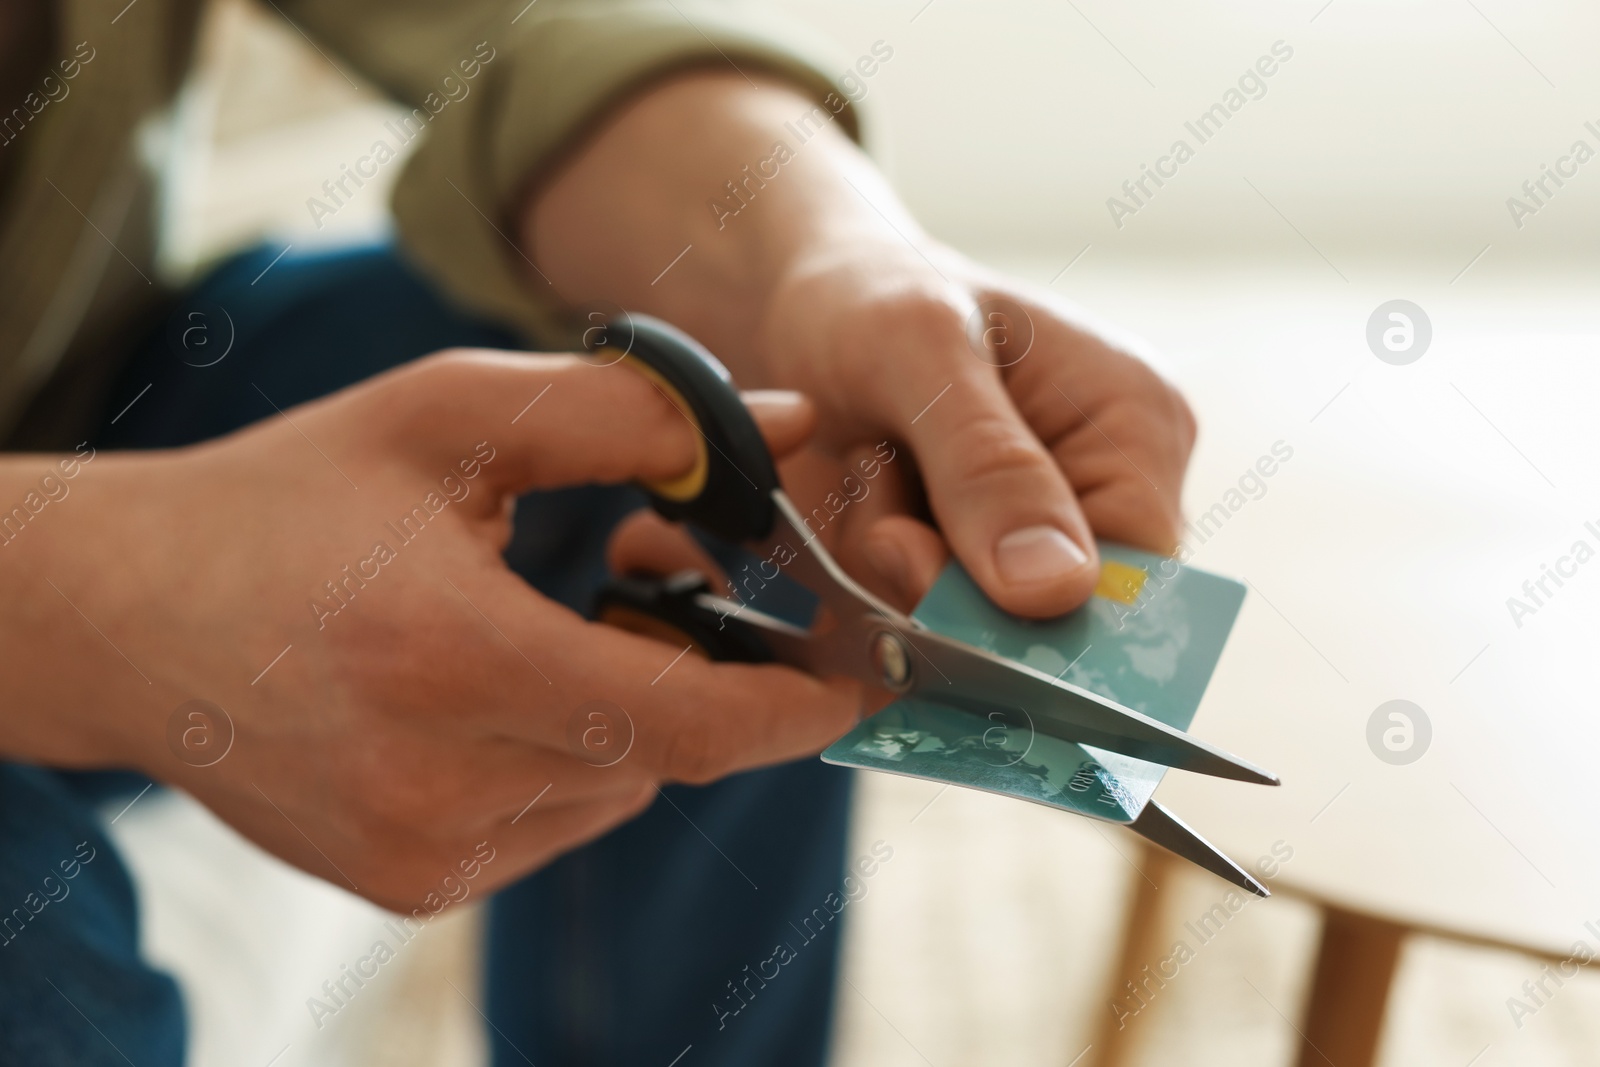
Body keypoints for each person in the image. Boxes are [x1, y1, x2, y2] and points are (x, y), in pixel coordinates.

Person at [0, 1, 1197, 1063]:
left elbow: (522, 30)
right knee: (53, 1000)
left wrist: (827, 259)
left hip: (77, 396)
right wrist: (103, 589)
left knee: (727, 429)